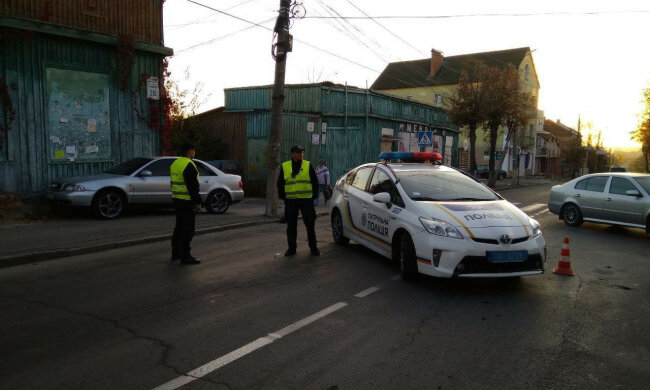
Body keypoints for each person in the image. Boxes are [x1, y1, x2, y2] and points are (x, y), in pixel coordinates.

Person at [277, 145, 320, 257]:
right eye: (298, 152)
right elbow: (280, 184)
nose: (301, 154)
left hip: (306, 200)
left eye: (301, 152)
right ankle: (291, 249)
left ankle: (314, 248)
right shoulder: (285, 166)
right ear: (292, 154)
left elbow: (315, 182)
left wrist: (313, 197)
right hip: (291, 201)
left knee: (310, 225)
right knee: (291, 226)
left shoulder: (307, 165)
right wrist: (284, 197)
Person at [170, 143, 202, 265]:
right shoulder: (189, 165)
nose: (194, 153)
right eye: (193, 151)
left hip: (176, 200)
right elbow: (193, 186)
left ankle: (175, 252)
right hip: (187, 201)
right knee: (188, 229)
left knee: (179, 227)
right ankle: (185, 255)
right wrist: (198, 202)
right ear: (190, 151)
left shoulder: (175, 164)